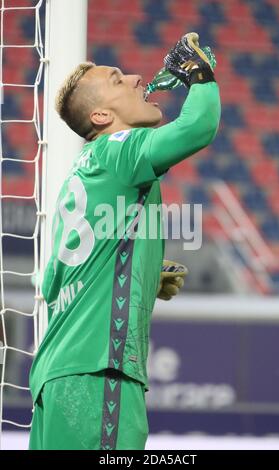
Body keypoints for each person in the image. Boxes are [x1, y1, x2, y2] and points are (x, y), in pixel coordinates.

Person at [29, 33, 221, 450]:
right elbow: (198, 127)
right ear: (100, 116)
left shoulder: (83, 173)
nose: (136, 77)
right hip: (98, 375)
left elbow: (54, 283)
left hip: (55, 378)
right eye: (118, 79)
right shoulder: (120, 151)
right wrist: (200, 76)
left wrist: (144, 274)